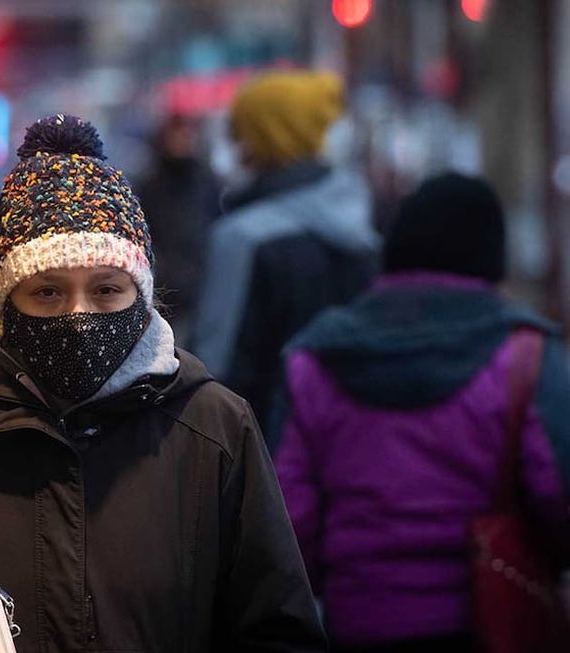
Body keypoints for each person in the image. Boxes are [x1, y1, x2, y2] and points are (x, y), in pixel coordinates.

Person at [0, 115, 326, 651]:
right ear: (5, 307)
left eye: (106, 290)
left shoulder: (217, 432)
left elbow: (279, 631)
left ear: (143, 298)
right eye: (48, 293)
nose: (80, 316)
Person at [271, 173, 570, 652]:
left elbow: (289, 524)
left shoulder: (313, 360)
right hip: (494, 622)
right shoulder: (524, 357)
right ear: (492, 258)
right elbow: (558, 497)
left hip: (359, 621)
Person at [192, 71, 380, 431]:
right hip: (351, 450)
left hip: (263, 462)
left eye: (240, 133)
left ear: (264, 138)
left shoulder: (241, 239)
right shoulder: (363, 234)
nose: (235, 146)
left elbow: (212, 373)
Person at [134, 114, 220, 341]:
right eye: (177, 134)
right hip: (164, 285)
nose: (183, 140)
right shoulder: (149, 185)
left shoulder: (208, 182)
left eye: (188, 134)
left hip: (202, 283)